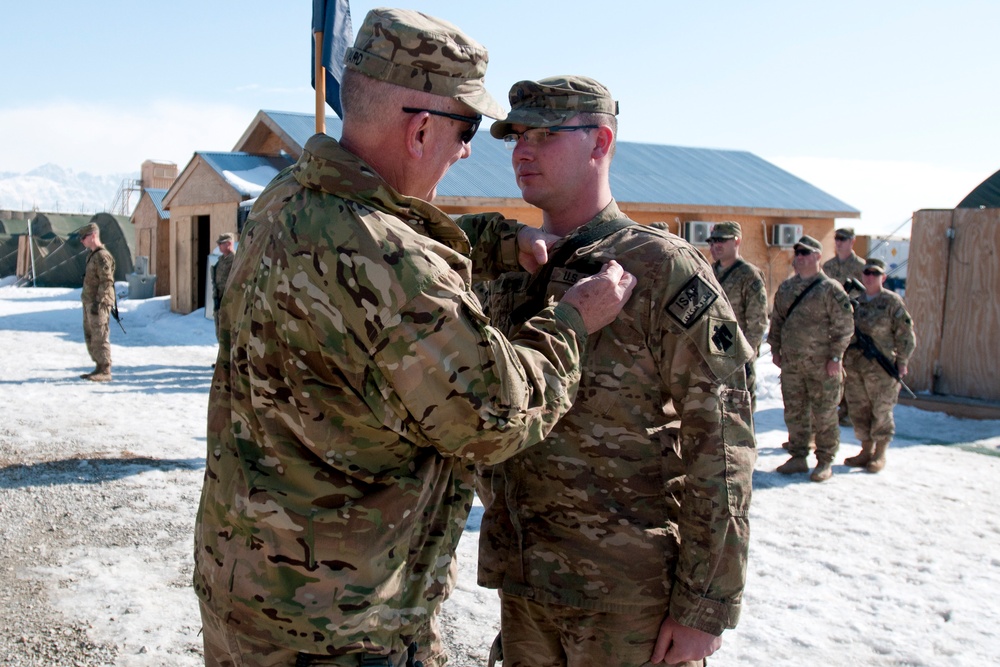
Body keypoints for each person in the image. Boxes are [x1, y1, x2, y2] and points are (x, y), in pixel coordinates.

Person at [192, 10, 636, 667]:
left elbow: (382, 234)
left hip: (248, 594)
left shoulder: (286, 200)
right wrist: (572, 319)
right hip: (341, 629)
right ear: (423, 127)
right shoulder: (396, 269)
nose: (467, 152)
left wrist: (496, 240)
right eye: (468, 131)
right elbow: (496, 416)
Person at [476, 76, 755, 667]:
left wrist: (705, 606)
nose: (523, 150)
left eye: (545, 135)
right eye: (516, 135)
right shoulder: (513, 265)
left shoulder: (660, 268)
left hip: (628, 601)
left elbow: (723, 443)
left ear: (600, 141)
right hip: (525, 585)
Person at [768, 235, 854, 482]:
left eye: (806, 253)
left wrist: (836, 357)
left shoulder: (831, 290)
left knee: (825, 413)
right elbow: (778, 321)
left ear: (818, 256)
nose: (801, 257)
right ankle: (797, 456)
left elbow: (845, 327)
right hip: (793, 364)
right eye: (798, 253)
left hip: (822, 365)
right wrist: (775, 348)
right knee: (795, 411)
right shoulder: (786, 288)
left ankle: (825, 460)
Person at [842, 258, 916, 473]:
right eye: (867, 273)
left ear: (883, 277)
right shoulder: (854, 301)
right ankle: (865, 450)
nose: (870, 277)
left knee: (881, 411)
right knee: (858, 409)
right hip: (855, 368)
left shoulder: (892, 302)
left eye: (875, 273)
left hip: (881, 370)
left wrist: (902, 362)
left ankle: (880, 453)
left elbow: (906, 336)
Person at [708, 221, 769, 410]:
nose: (715, 246)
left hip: (737, 354)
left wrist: (746, 355)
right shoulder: (709, 272)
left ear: (736, 241)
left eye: (721, 241)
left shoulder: (749, 275)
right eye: (712, 241)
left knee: (739, 411)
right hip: (711, 352)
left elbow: (758, 320)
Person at [823, 227, 866, 426]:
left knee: (850, 367)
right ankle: (833, 407)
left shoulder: (861, 267)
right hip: (830, 324)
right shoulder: (828, 266)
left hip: (853, 324)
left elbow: (867, 296)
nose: (839, 242)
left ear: (852, 241)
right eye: (837, 238)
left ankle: (848, 409)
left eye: (843, 239)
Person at [77, 222, 115, 382]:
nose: (82, 241)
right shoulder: (92, 255)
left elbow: (107, 282)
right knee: (91, 335)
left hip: (98, 303)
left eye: (84, 237)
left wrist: (98, 304)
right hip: (90, 302)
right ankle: (99, 367)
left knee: (100, 334)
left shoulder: (102, 256)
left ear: (93, 235)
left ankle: (105, 369)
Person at [210, 232, 235, 341]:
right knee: (220, 334)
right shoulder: (221, 260)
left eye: (221, 243)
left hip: (231, 304)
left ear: (229, 243)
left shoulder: (236, 260)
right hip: (219, 302)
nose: (219, 246)